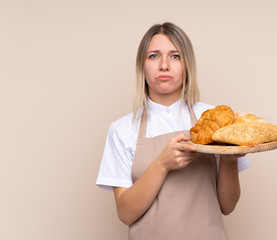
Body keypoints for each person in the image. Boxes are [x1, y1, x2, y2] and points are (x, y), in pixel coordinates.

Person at [96, 22, 250, 240]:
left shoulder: (213, 119)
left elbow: (228, 206)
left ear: (187, 65)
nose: (164, 65)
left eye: (175, 56)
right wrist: (162, 164)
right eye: (154, 56)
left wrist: (229, 159)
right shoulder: (122, 129)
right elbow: (126, 213)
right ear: (142, 65)